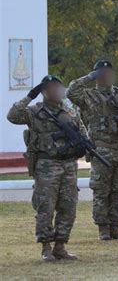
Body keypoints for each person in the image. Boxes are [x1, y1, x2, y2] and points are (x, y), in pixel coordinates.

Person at [7, 75, 82, 261]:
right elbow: (12, 116)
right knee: (45, 207)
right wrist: (30, 96)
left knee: (68, 206)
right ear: (44, 91)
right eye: (50, 88)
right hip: (47, 164)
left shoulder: (70, 111)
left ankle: (60, 246)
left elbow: (81, 130)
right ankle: (46, 247)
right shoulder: (34, 112)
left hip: (69, 164)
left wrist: (83, 146)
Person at [67, 60, 118, 241]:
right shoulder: (89, 96)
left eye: (108, 72)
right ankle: (103, 228)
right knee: (101, 190)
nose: (106, 76)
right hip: (102, 150)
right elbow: (71, 92)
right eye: (102, 73)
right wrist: (90, 77)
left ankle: (115, 226)